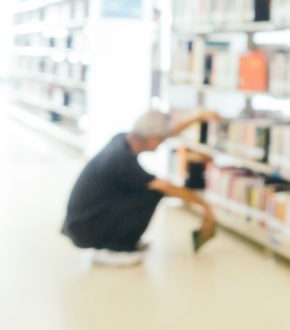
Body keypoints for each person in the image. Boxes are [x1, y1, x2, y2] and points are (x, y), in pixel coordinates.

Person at [62, 109, 220, 266]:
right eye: (161, 140)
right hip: (87, 231)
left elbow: (169, 132)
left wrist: (197, 118)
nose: (163, 142)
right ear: (152, 139)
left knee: (147, 190)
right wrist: (205, 206)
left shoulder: (122, 139)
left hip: (83, 221)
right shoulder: (122, 160)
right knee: (153, 192)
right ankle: (115, 248)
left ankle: (117, 240)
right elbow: (165, 187)